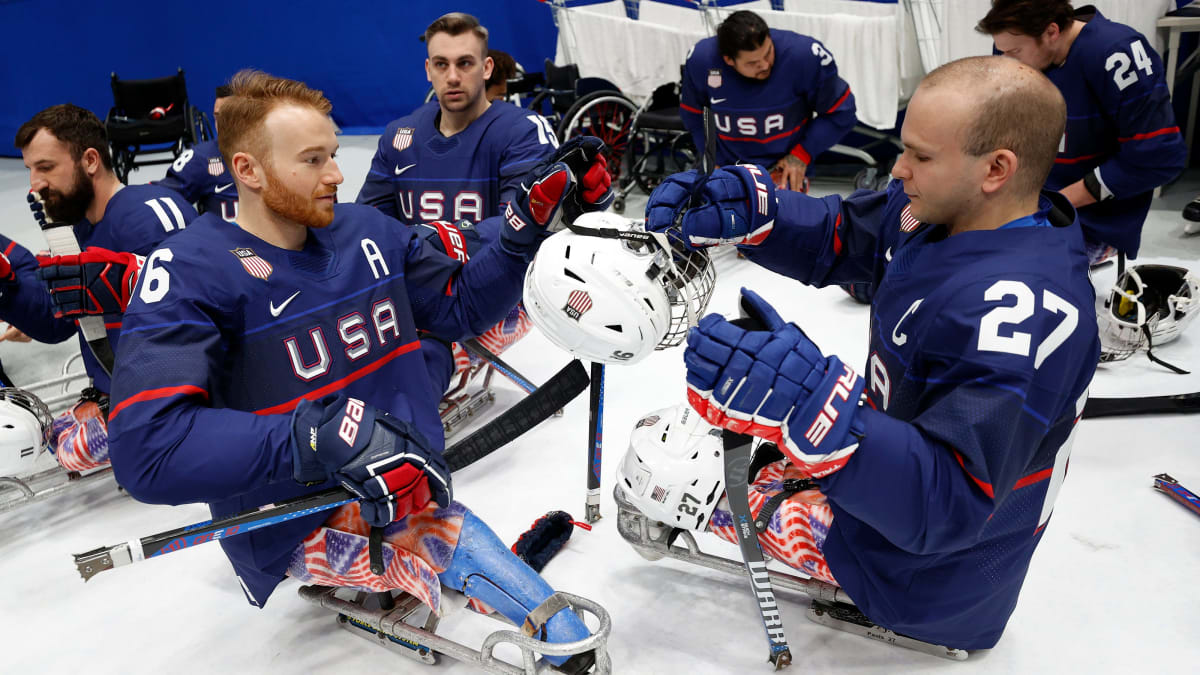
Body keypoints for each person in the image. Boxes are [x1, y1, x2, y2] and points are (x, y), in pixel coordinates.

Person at [105, 70, 609, 670]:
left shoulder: (364, 229)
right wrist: (314, 438)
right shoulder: (188, 270)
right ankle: (566, 644)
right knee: (448, 536)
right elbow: (148, 450)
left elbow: (459, 308)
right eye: (313, 160)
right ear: (248, 170)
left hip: (403, 474)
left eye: (334, 154)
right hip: (298, 515)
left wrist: (520, 233)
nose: (337, 174)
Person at [642, 55, 1100, 650]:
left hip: (920, 574)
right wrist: (758, 214)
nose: (899, 169)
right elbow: (854, 232)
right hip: (888, 494)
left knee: (660, 475)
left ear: (996, 168)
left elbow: (949, 504)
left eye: (921, 157)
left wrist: (816, 408)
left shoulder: (1019, 317)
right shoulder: (947, 211)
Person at [11, 104, 197, 473]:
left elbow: (197, 325)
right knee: (48, 435)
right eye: (30, 169)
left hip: (172, 399)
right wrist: (10, 288)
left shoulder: (141, 219)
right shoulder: (88, 223)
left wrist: (129, 406)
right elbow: (62, 321)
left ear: (91, 160)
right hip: (128, 386)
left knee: (67, 449)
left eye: (46, 167)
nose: (35, 183)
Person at [978, 0, 1186, 263]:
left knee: (996, 268)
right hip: (1027, 198)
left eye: (1015, 51)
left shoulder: (1116, 53)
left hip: (1091, 219)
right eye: (1002, 50)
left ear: (1051, 32)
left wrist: (1052, 205)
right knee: (945, 244)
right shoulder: (1013, 46)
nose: (1006, 62)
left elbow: (1159, 156)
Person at [356, 12, 558, 225]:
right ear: (428, 70)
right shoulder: (399, 137)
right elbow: (367, 223)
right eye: (441, 64)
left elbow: (518, 229)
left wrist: (424, 243)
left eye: (465, 63)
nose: (452, 77)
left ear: (486, 68)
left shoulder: (524, 132)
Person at [680, 9, 857, 192]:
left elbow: (842, 112)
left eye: (768, 53)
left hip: (782, 167)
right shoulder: (701, 60)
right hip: (724, 164)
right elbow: (693, 115)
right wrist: (712, 159)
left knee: (783, 209)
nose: (765, 65)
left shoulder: (804, 56)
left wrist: (801, 154)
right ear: (729, 60)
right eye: (752, 63)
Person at [155, 85, 239, 222]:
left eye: (229, 117)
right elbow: (159, 197)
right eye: (217, 117)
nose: (221, 125)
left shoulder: (272, 154)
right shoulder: (200, 158)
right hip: (220, 235)